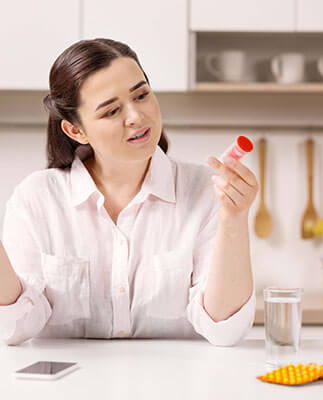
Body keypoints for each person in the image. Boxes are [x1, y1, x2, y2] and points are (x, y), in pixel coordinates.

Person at [0, 38, 258, 346]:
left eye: (142, 95)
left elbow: (225, 331)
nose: (136, 116)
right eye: (111, 111)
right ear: (76, 130)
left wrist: (234, 218)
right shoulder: (37, 198)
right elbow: (13, 329)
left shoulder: (204, 191)